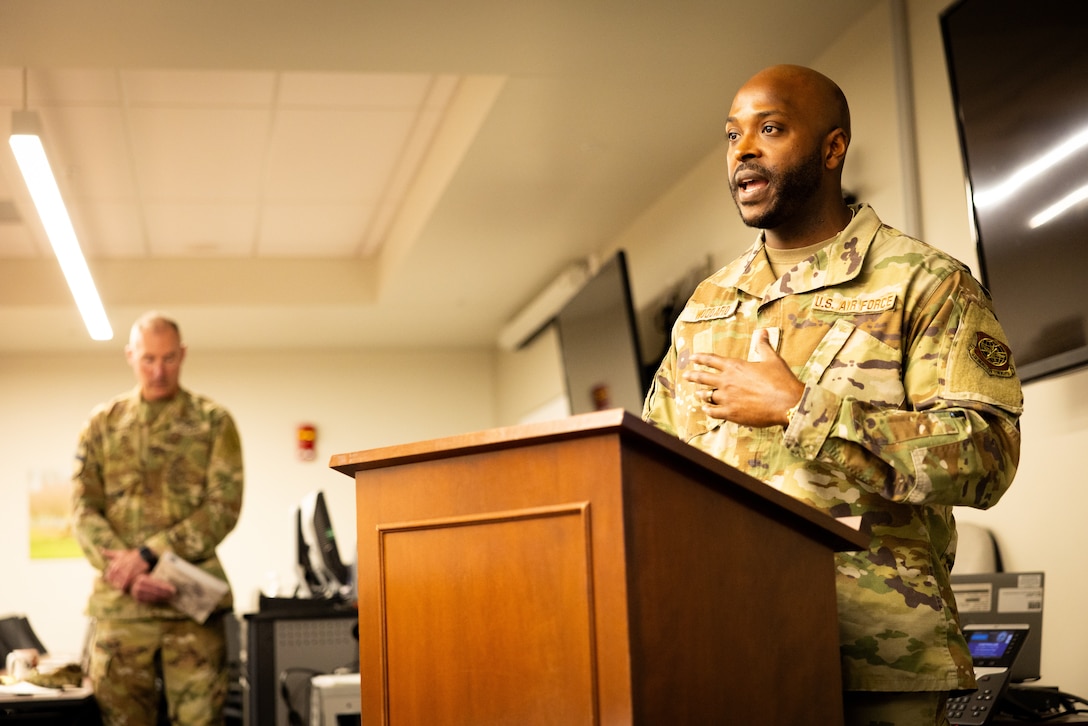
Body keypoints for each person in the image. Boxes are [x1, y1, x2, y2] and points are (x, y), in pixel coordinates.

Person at [642, 65, 1023, 725]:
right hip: (728, 653)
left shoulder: (923, 283)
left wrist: (802, 410)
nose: (743, 150)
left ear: (832, 148)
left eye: (770, 128)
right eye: (732, 136)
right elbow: (652, 478)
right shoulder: (707, 306)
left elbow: (988, 455)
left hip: (880, 664)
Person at [72, 312, 244, 725]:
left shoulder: (212, 422)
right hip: (122, 608)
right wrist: (129, 572)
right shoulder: (103, 424)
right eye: (148, 359)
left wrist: (150, 555)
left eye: (169, 358)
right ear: (130, 356)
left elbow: (223, 507)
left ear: (183, 354)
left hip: (190, 604)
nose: (159, 370)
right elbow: (83, 510)